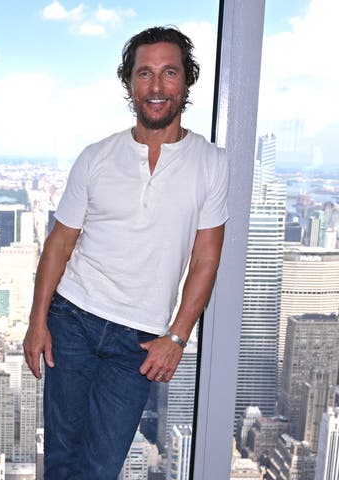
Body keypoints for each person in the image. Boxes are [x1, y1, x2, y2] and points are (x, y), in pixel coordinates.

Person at [23, 26, 229, 479]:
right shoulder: (96, 156)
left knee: (100, 467)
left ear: (187, 81)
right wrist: (38, 321)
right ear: (129, 83)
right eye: (144, 74)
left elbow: (206, 260)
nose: (156, 87)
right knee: (61, 458)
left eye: (169, 73)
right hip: (72, 319)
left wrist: (176, 338)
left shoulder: (212, 164)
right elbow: (59, 243)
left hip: (138, 340)